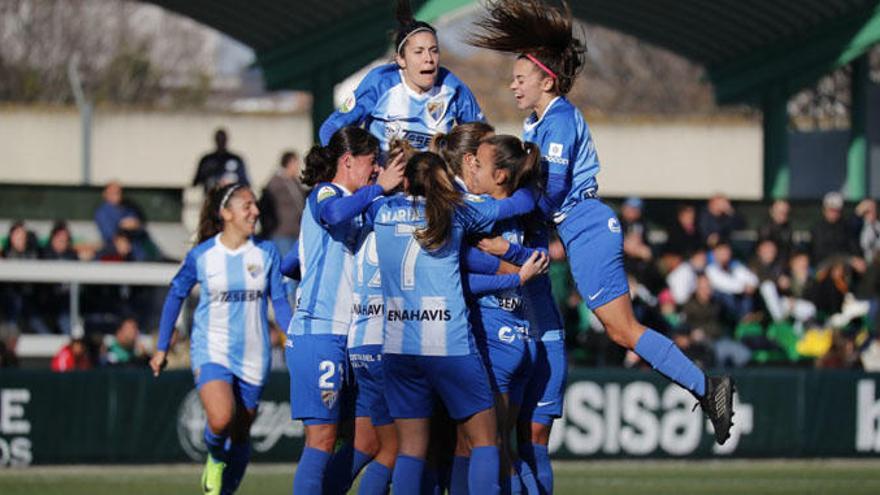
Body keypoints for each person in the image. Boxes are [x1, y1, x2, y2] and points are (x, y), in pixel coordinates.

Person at [469, 0, 735, 449]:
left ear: (546, 80)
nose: (512, 85)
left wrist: (487, 213)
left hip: (587, 226)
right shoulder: (535, 123)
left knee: (621, 329)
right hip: (573, 229)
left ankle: (707, 387)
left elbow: (549, 195)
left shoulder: (559, 122)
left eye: (520, 78)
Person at [372, 149, 536, 493]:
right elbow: (509, 207)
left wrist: (378, 187)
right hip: (448, 342)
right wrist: (530, 180)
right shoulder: (455, 211)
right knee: (486, 440)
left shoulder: (381, 211)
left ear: (404, 181)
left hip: (399, 342)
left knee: (410, 449)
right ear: (444, 180)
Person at [150, 182, 292, 495]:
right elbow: (176, 294)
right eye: (248, 206)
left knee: (241, 434)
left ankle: (224, 492)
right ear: (226, 214)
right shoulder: (203, 255)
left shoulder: (266, 252)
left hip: (255, 354)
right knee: (221, 418)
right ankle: (214, 456)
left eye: (255, 205)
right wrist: (161, 347)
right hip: (211, 349)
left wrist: (292, 336)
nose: (256, 211)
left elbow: (279, 301)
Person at [287, 126, 404, 495]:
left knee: (367, 441)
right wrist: (379, 188)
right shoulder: (328, 192)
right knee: (321, 440)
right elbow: (334, 212)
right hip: (319, 331)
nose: (376, 171)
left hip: (351, 337)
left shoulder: (361, 204)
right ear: (348, 160)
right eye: (372, 164)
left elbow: (291, 262)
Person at [459, 135, 549, 494]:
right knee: (502, 448)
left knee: (485, 447)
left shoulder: (477, 213)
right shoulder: (521, 209)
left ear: (499, 176)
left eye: (478, 163)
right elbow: (539, 257)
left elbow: (459, 273)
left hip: (494, 339)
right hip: (519, 338)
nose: (471, 169)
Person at [318, 0, 484, 155]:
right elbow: (330, 128)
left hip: (432, 183)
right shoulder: (381, 82)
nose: (429, 58)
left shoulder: (452, 86)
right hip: (383, 183)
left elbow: (483, 137)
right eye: (418, 52)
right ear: (401, 59)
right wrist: (340, 165)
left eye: (434, 50)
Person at [259, 150, 308, 257]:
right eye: (296, 163)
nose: (298, 167)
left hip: (296, 231)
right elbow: (267, 204)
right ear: (289, 163)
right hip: (281, 233)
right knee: (285, 266)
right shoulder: (275, 182)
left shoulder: (294, 182)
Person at [193, 128, 250, 194]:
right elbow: (196, 182)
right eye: (219, 139)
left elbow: (245, 182)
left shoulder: (236, 160)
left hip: (231, 196)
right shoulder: (207, 159)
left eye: (223, 139)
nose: (221, 142)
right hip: (211, 196)